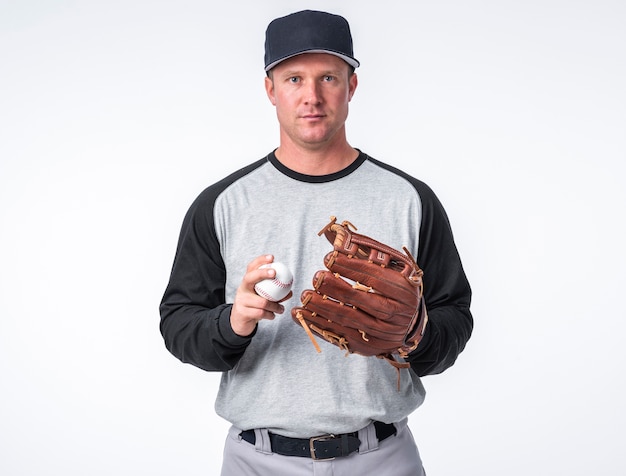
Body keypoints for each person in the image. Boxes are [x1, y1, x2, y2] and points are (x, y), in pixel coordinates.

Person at [160, 9, 473, 476]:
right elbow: (178, 325)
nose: (312, 96)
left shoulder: (409, 199)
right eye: (293, 79)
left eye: (328, 76)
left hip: (382, 457)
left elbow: (456, 319)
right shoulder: (222, 203)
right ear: (270, 89)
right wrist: (234, 322)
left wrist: (416, 334)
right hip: (257, 461)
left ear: (351, 87)